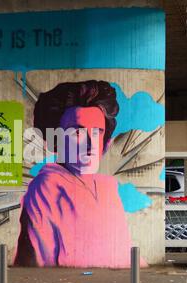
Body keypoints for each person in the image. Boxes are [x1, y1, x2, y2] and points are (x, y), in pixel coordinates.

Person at [14, 80, 141, 268]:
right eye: (77, 133)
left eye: (97, 132)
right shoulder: (46, 189)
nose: (90, 144)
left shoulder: (108, 188)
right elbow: (36, 263)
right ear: (55, 139)